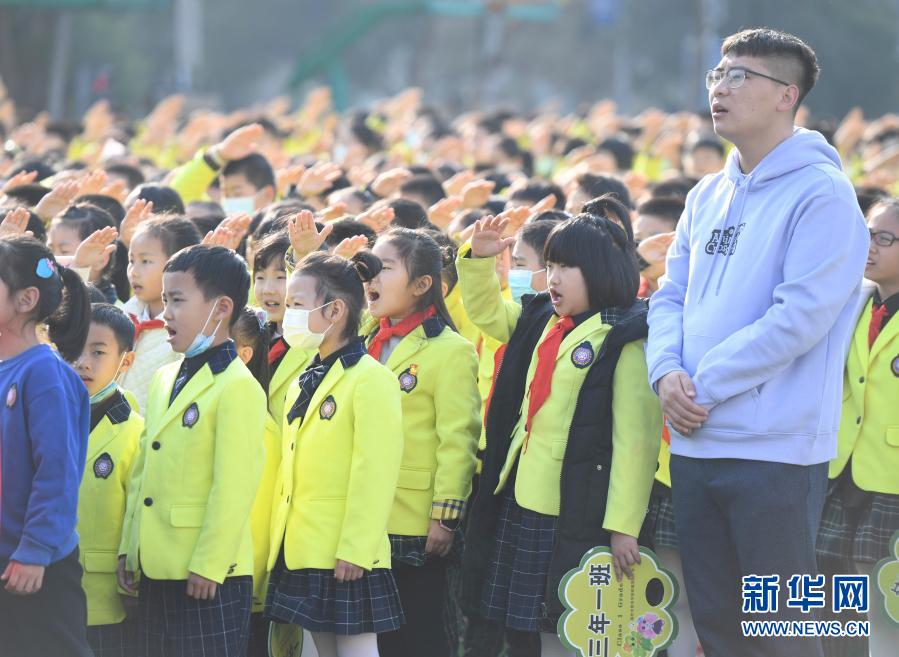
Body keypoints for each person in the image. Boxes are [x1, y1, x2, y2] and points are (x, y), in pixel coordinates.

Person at [645, 28, 870, 657]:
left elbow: (800, 317)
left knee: (781, 632)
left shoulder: (822, 194)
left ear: (786, 96)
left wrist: (703, 387)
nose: (721, 86)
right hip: (695, 440)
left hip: (775, 452)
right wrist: (666, 373)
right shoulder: (705, 193)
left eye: (741, 75)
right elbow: (669, 295)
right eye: (718, 73)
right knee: (716, 623)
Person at [459, 199, 662, 657]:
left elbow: (636, 443)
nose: (553, 277)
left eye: (567, 266)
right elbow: (490, 314)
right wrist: (478, 261)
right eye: (550, 265)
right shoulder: (543, 319)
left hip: (572, 506)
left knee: (564, 629)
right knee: (524, 629)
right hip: (521, 490)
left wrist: (624, 527)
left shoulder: (626, 336)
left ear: (602, 271)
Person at [117, 245, 266, 657]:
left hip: (206, 573)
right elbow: (144, 469)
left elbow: (234, 486)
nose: (166, 313)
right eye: (165, 299)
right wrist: (131, 548)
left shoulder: (237, 386)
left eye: (178, 300)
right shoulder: (166, 377)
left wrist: (210, 562)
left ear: (221, 308)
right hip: (157, 564)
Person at [266, 251, 405, 657]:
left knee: (357, 651)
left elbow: (375, 471)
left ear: (335, 310)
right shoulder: (304, 377)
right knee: (322, 652)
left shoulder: (371, 379)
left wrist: (356, 549)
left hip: (345, 548)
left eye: (297, 304)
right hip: (302, 543)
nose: (287, 313)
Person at [363, 228, 481, 657]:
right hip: (363, 515)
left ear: (421, 285)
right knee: (374, 637)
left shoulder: (450, 350)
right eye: (369, 267)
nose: (371, 277)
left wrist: (445, 516)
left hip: (415, 518)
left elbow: (458, 439)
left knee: (422, 632)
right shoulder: (362, 339)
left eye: (385, 268)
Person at [0, 235, 94, 657]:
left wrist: (35, 550)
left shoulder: (44, 372)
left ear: (25, 300)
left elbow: (56, 470)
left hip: (34, 565)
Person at [817, 198, 899, 657]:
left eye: (884, 238)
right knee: (833, 603)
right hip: (840, 471)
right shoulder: (855, 303)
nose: (870, 246)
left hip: (892, 481)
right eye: (867, 233)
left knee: (885, 609)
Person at [72, 302, 143, 657]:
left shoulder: (135, 431)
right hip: (46, 589)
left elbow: (138, 510)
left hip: (105, 596)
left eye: (98, 352)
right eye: (75, 349)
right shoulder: (46, 416)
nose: (83, 361)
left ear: (125, 362)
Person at [119, 216, 202, 410]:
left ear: (179, 265)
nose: (134, 271)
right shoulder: (123, 315)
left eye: (146, 261)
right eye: (131, 260)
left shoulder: (188, 328)